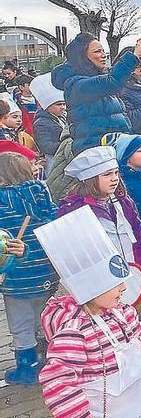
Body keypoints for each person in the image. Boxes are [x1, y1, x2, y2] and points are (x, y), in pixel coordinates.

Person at [38, 207, 141, 418]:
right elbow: (58, 379)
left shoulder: (125, 313)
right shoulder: (73, 332)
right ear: (91, 288)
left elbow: (139, 340)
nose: (124, 288)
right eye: (115, 284)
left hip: (140, 406)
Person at [0, 153, 56, 386]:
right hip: (45, 271)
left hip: (16, 277)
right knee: (44, 316)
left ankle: (28, 367)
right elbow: (55, 220)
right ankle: (54, 358)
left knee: (21, 321)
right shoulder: (42, 193)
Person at [51, 34, 141, 154]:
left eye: (103, 51)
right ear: (83, 56)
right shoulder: (76, 84)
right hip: (96, 152)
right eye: (97, 51)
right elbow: (112, 81)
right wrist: (134, 56)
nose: (103, 55)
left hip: (115, 149)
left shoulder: (99, 80)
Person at [58, 146, 141, 267]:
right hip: (99, 277)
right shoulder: (74, 209)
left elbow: (137, 238)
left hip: (132, 271)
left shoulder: (125, 202)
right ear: (90, 179)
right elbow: (73, 253)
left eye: (116, 173)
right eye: (107, 174)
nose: (114, 179)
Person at [30, 74, 67, 168]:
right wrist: (66, 145)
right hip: (53, 160)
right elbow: (45, 146)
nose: (63, 107)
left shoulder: (62, 117)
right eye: (59, 104)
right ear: (47, 106)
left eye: (63, 104)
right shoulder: (41, 123)